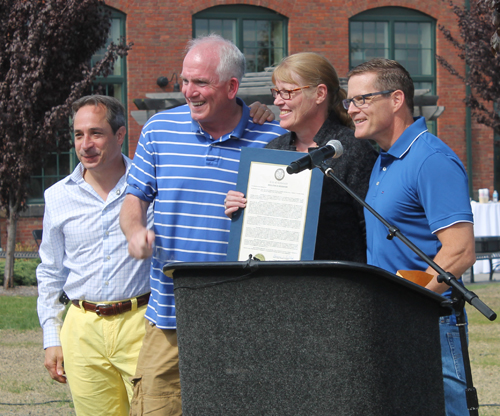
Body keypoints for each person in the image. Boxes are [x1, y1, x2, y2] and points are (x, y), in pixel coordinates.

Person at [119, 34, 286, 415]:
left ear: (231, 87)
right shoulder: (159, 130)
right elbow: (134, 200)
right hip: (169, 320)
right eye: (184, 81)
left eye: (200, 83)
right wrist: (134, 233)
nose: (189, 92)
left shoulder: (274, 138)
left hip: (243, 322)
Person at [344, 58, 476, 416]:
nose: (352, 109)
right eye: (349, 101)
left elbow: (461, 251)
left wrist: (408, 305)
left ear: (397, 99)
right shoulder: (384, 159)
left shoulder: (430, 158)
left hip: (429, 323)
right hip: (395, 319)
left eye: (362, 99)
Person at [36, 95, 153, 416]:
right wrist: (51, 337)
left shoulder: (150, 187)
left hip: (142, 324)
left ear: (119, 135)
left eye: (96, 133)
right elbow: (50, 272)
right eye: (78, 134)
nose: (85, 144)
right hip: (82, 329)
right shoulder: (57, 196)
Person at [225, 52, 378, 261]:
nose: (278, 101)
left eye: (287, 92)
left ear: (320, 94)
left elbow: (371, 230)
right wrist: (241, 209)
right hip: (279, 284)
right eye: (276, 92)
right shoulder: (273, 151)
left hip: (338, 286)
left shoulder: (353, 150)